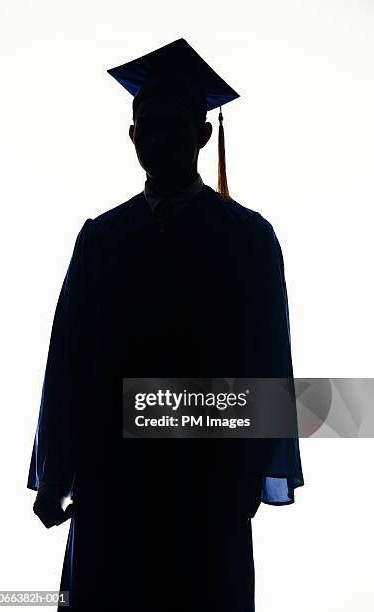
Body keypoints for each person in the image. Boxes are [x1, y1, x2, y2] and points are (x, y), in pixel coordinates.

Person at [27, 38, 304, 611]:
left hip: (207, 487)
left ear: (202, 134)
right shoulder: (101, 239)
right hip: (113, 486)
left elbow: (269, 361)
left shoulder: (248, 239)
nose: (158, 138)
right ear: (130, 133)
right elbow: (69, 364)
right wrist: (55, 475)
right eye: (146, 125)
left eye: (175, 126)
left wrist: (247, 474)